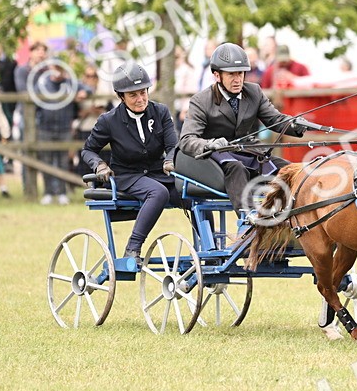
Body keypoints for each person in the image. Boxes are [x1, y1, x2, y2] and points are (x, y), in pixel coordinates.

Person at [178, 42, 306, 216]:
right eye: (231, 74)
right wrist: (210, 144)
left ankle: (296, 215)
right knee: (236, 167)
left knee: (290, 171)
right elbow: (187, 140)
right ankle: (248, 218)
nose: (238, 79)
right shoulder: (201, 101)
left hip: (248, 152)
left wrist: (295, 125)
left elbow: (275, 120)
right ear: (217, 75)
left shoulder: (254, 92)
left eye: (240, 73)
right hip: (215, 158)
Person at [81, 63, 181, 265]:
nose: (140, 99)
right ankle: (133, 248)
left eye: (143, 92)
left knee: (191, 191)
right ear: (121, 97)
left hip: (158, 173)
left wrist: (170, 160)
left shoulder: (161, 112)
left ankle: (210, 246)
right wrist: (99, 165)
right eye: (133, 95)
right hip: (127, 176)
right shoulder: (109, 120)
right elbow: (88, 150)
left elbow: (173, 145)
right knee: (158, 193)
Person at [35, 60, 78, 205]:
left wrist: (84, 92)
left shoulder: (70, 83)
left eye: (60, 68)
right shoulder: (42, 84)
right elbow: (33, 100)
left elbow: (87, 88)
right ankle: (48, 192)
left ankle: (62, 193)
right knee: (46, 161)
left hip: (64, 128)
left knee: (63, 162)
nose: (57, 72)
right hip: (45, 128)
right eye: (55, 68)